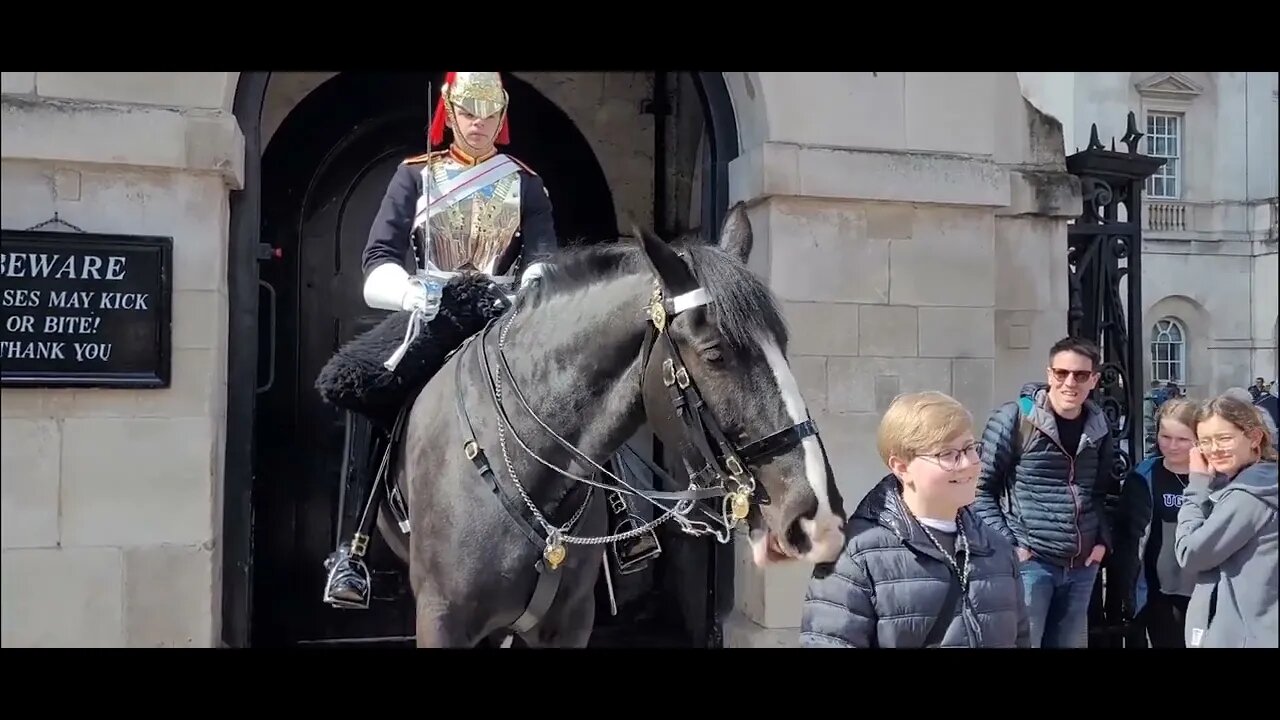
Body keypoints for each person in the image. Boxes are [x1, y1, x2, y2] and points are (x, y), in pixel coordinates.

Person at [322, 71, 561, 610]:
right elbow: (377, 259)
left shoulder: (525, 182)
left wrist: (528, 288)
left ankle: (622, 522)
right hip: (432, 310)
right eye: (469, 111)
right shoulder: (415, 176)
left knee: (581, 376)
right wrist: (409, 293)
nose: (479, 123)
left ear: (502, 117)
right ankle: (351, 550)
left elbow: (544, 254)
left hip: (504, 313)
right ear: (450, 113)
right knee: (358, 385)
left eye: (489, 112)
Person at [800, 391, 1030, 648]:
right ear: (901, 467)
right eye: (948, 454)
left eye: (969, 448)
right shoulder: (853, 558)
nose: (967, 463)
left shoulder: (997, 549)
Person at [972, 336, 1115, 648]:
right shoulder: (1015, 418)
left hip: (1082, 565)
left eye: (1079, 375)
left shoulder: (1098, 424)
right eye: (1061, 373)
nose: (1069, 383)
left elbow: (1101, 491)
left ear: (1093, 380)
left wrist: (1102, 541)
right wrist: (1011, 545)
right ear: (1049, 374)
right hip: (1031, 562)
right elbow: (980, 491)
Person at [1176, 394, 1278, 648]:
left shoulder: (1248, 494)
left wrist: (1197, 484)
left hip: (1243, 635)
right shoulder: (1264, 480)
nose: (1214, 449)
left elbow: (1191, 554)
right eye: (1205, 442)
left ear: (1254, 438)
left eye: (1224, 438)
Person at [1114, 397, 1199, 647]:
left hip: (1203, 590)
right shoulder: (1143, 475)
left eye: (1182, 439)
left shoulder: (1215, 478)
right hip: (1157, 591)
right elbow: (1125, 533)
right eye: (1165, 436)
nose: (1172, 446)